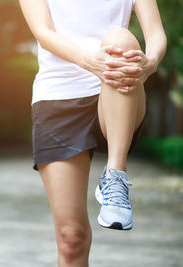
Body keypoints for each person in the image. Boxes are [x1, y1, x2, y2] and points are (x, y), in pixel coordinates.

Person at [18, 0, 167, 266]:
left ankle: (115, 175)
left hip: (118, 89)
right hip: (57, 96)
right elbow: (43, 31)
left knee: (119, 38)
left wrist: (150, 63)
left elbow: (155, 33)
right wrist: (91, 63)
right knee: (71, 238)